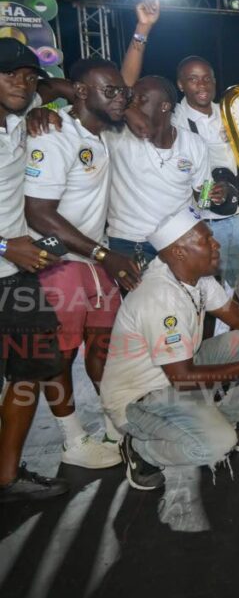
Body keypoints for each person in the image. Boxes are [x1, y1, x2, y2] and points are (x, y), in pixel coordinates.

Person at [100, 207, 239, 491]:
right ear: (179, 251)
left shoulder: (196, 277)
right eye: (207, 241)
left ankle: (230, 419)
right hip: (140, 396)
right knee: (215, 445)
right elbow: (182, 377)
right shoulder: (161, 298)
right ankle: (141, 449)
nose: (216, 245)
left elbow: (237, 316)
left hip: (177, 369)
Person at [24, 57, 144, 467]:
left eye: (122, 92)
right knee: (59, 357)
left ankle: (113, 424)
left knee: (107, 346)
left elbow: (53, 86)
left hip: (95, 259)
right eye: (109, 91)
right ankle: (72, 440)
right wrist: (101, 253)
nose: (120, 98)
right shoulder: (53, 134)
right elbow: (39, 211)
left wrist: (100, 254)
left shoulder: (103, 135)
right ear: (81, 92)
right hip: (58, 261)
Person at [0, 39, 67, 502]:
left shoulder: (23, 114)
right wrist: (6, 244)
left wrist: (50, 99)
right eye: (10, 76)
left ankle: (7, 477)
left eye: (27, 76)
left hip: (15, 275)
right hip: (11, 257)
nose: (20, 84)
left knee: (32, 368)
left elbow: (66, 84)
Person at [106, 75, 212, 269]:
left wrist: (213, 197)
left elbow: (204, 198)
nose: (131, 105)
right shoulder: (116, 136)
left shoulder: (194, 144)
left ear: (164, 106)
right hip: (130, 244)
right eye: (131, 100)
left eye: (141, 100)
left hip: (180, 243)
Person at [166, 56, 239, 288]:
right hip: (197, 223)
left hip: (233, 216)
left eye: (206, 79)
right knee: (203, 289)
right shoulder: (174, 121)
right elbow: (182, 169)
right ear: (181, 85)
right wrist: (210, 191)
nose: (202, 85)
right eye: (193, 79)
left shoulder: (228, 113)